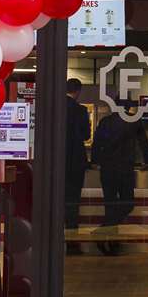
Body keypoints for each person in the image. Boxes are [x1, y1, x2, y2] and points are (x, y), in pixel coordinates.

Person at [91, 103, 141, 255]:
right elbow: (143, 141)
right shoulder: (133, 121)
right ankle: (110, 237)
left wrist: (95, 161)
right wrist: (147, 160)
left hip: (108, 169)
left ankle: (107, 234)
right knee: (128, 203)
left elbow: (97, 142)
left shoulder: (106, 122)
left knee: (110, 204)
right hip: (125, 169)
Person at [63, 78, 91, 253]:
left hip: (58, 158)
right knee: (73, 196)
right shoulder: (81, 110)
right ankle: (72, 227)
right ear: (78, 91)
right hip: (76, 160)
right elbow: (86, 135)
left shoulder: (55, 107)